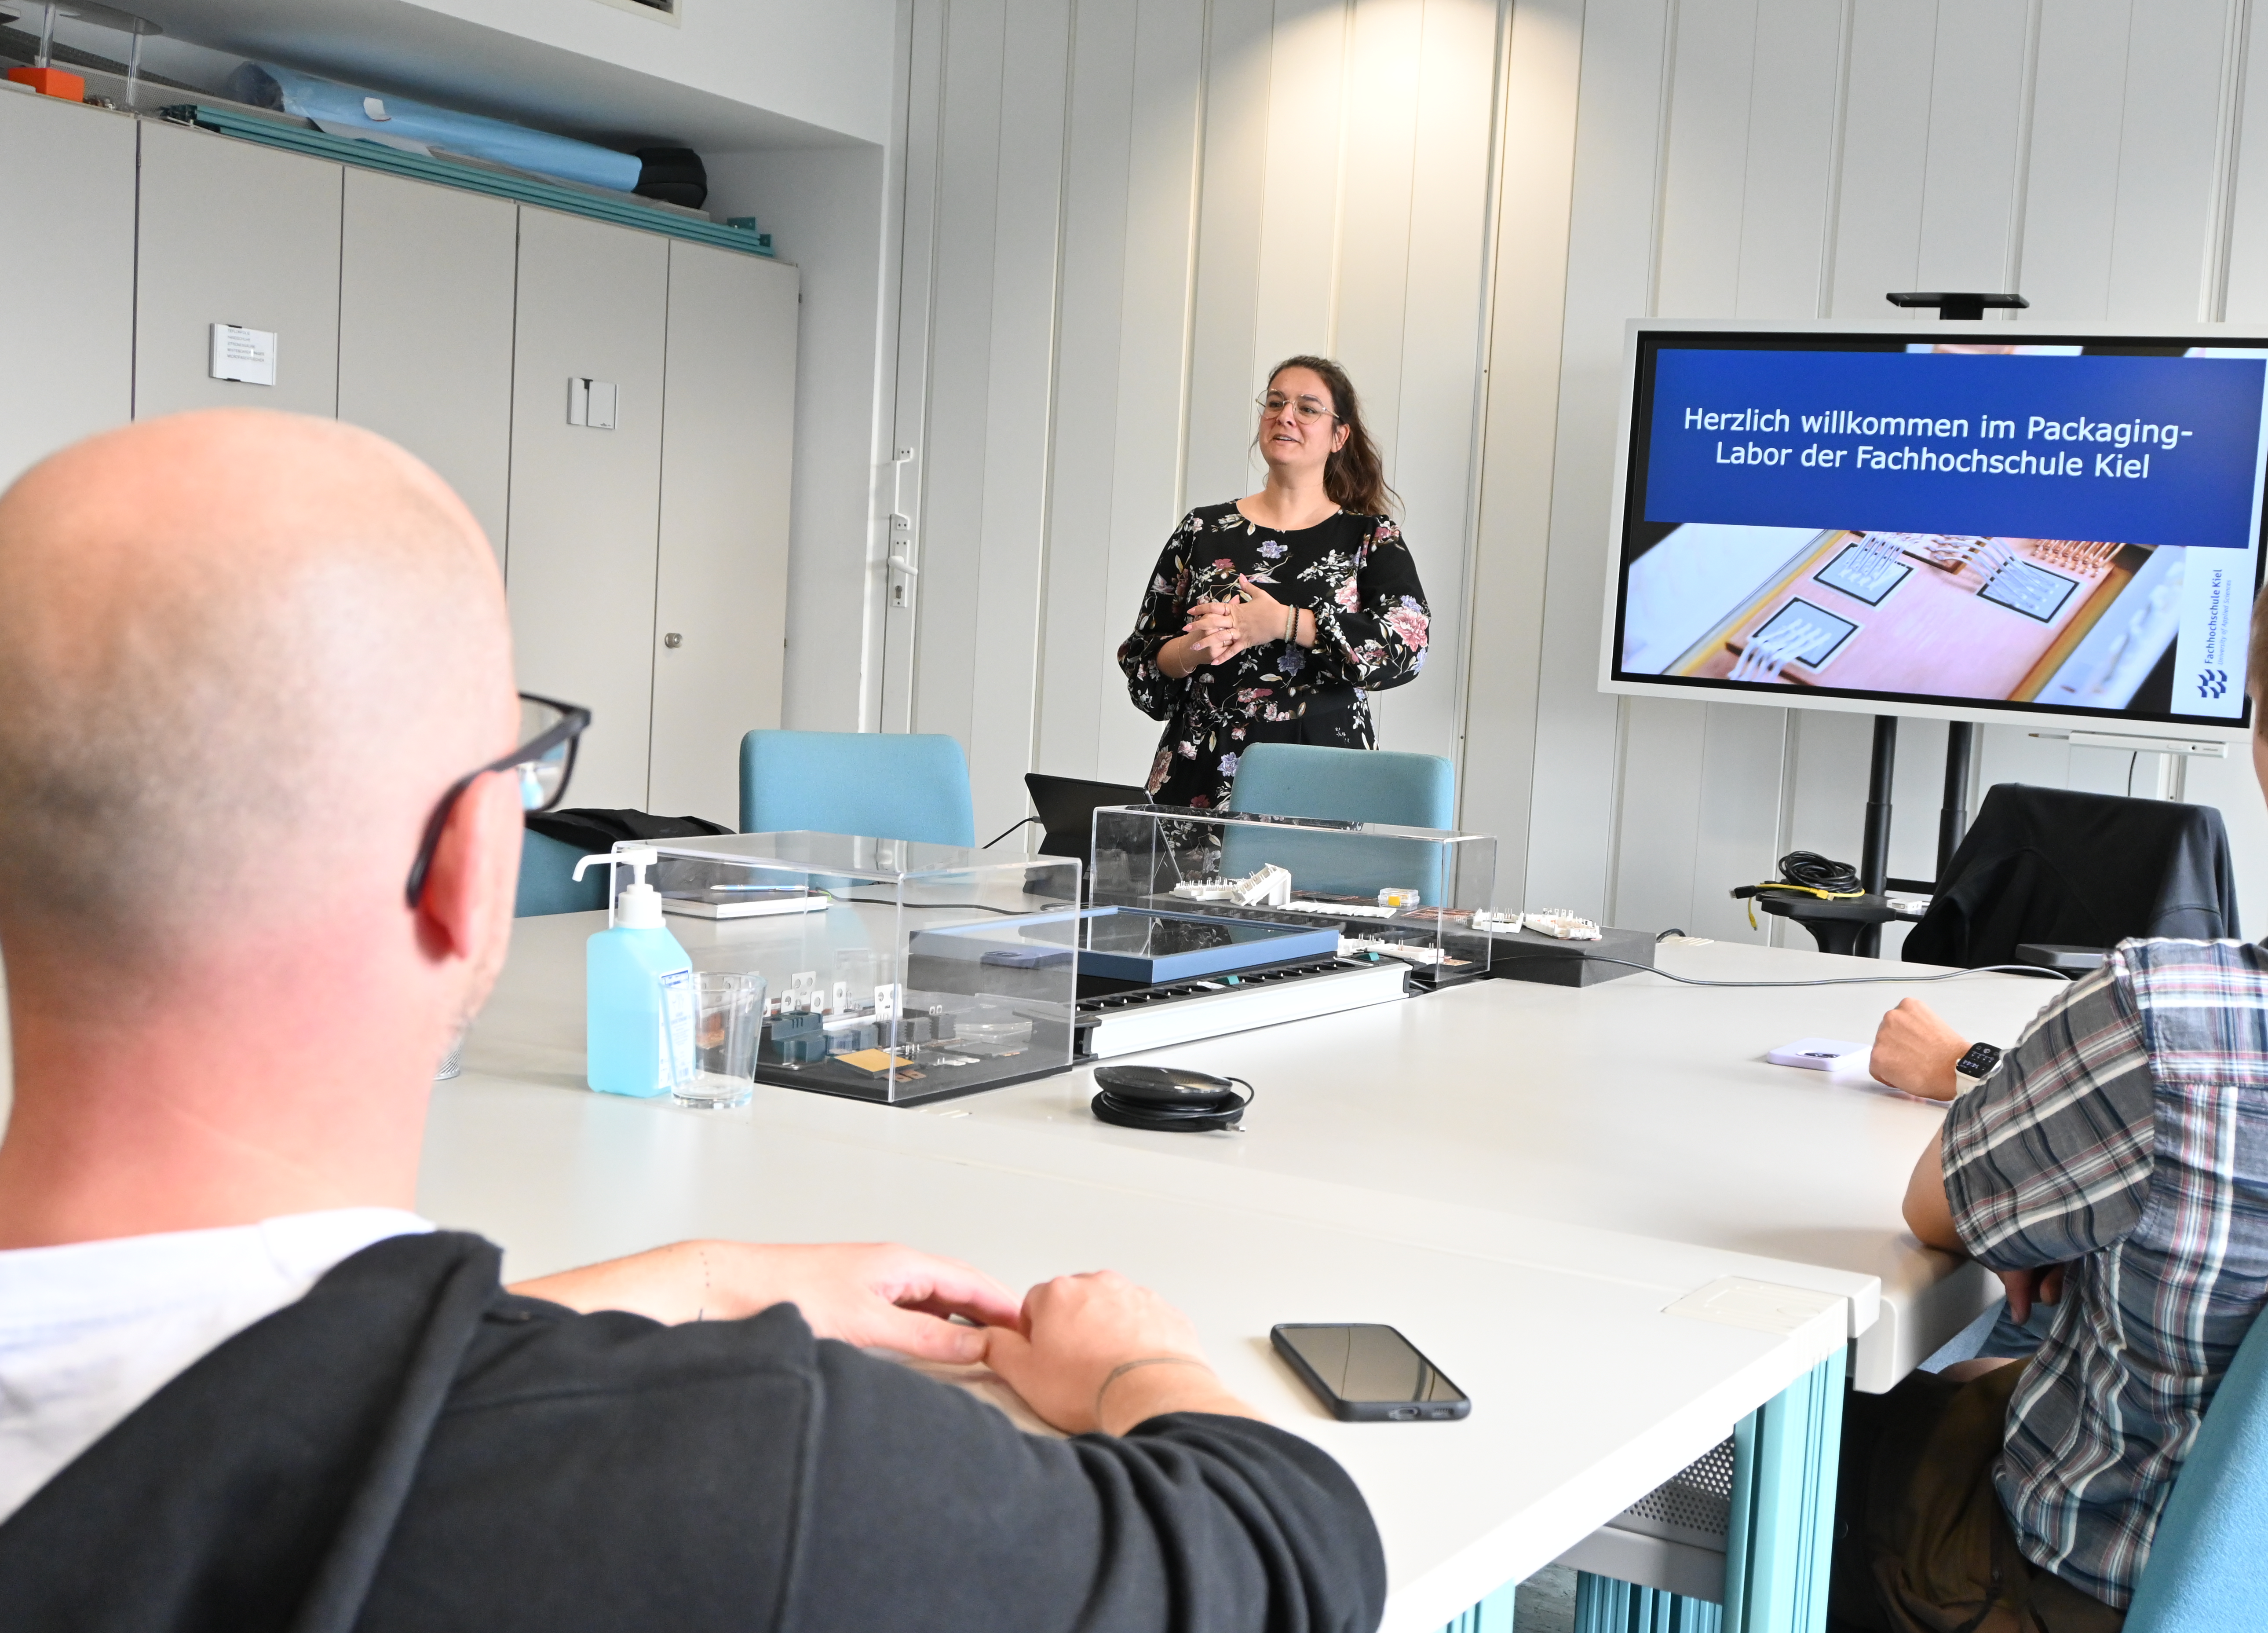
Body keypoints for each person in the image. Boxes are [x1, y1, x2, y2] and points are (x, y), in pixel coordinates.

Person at [0, 410, 1384, 1631]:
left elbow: (229, 1381)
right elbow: (1289, 1553)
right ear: (475, 864)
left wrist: (700, 1272)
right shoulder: (732, 1465)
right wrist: (1138, 1357)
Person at [1839, 502, 2268, 1633]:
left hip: (2100, 1592)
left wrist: (2065, 1227)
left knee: (1842, 1431)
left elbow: (1937, 1209)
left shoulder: (2170, 1019)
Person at [1117, 355, 1429, 809]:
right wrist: (1191, 650)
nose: (1285, 415)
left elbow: (1407, 647)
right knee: (1185, 885)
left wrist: (1285, 623)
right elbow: (1144, 656)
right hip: (1201, 775)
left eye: (1307, 408)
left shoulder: (1370, 538)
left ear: (1339, 435)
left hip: (1319, 780)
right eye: (1276, 403)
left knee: (1311, 884)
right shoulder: (1202, 530)